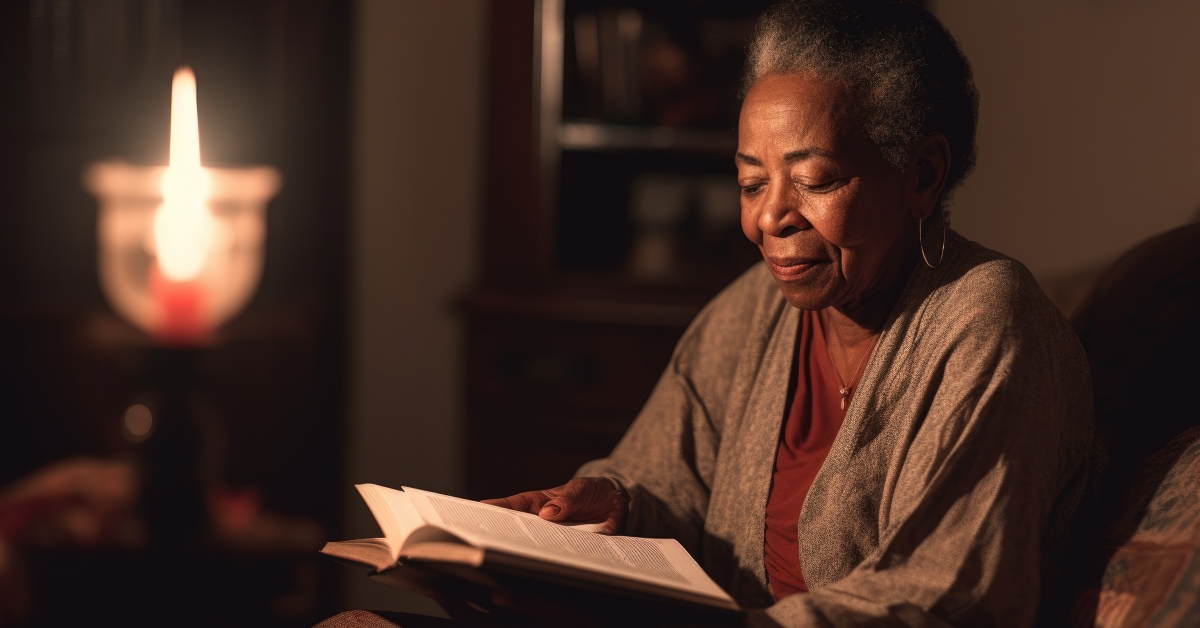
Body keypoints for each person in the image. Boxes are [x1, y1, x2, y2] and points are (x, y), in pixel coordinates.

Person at [481, 1, 1097, 626]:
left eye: (816, 180)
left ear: (922, 175)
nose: (768, 218)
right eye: (751, 183)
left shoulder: (985, 319)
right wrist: (613, 502)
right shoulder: (756, 307)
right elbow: (667, 477)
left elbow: (946, 595)